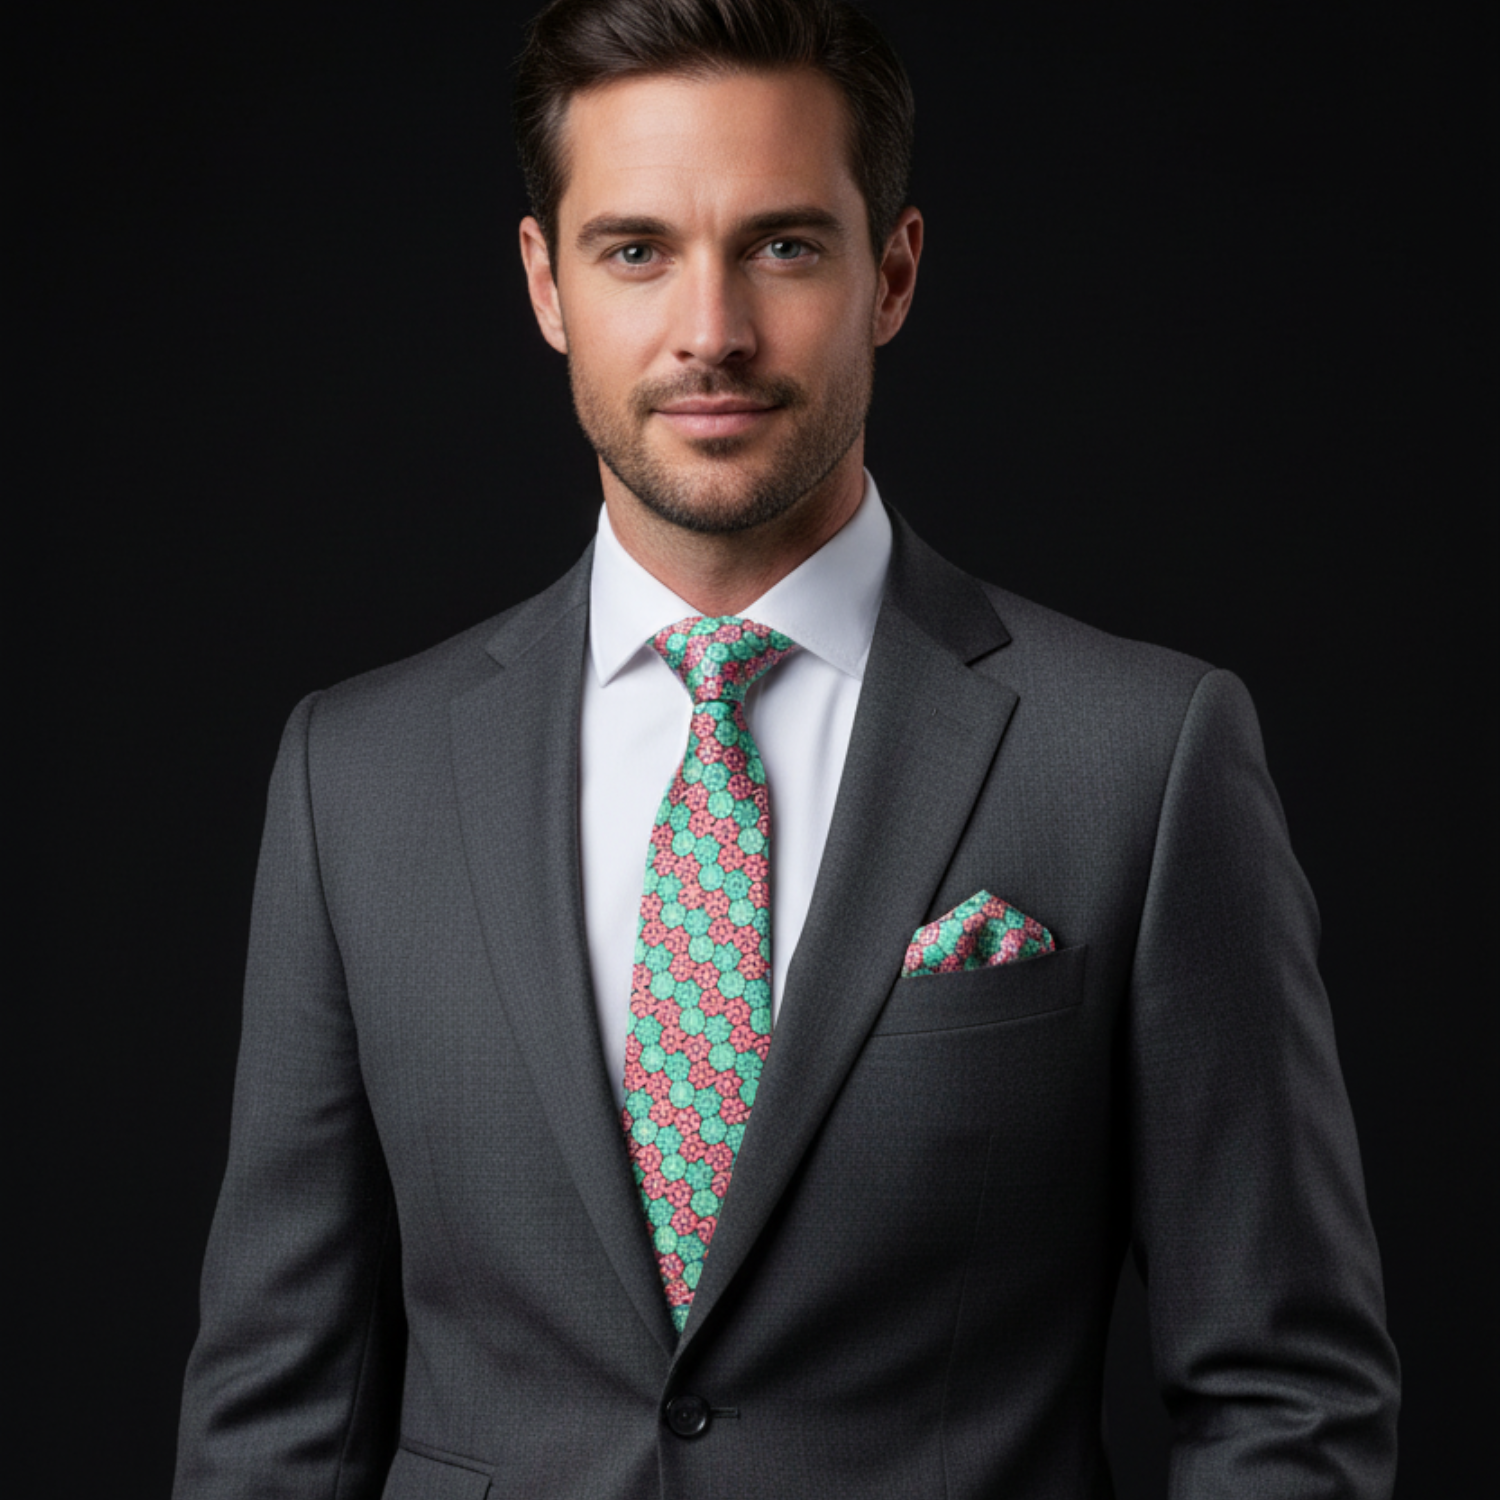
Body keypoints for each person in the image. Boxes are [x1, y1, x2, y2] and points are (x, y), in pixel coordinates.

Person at [173, 1, 1400, 1495]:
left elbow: (1289, 1396)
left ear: (892, 272)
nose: (712, 333)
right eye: (636, 250)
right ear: (544, 283)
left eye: (783, 245)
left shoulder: (1142, 756)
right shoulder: (350, 782)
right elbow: (275, 1419)